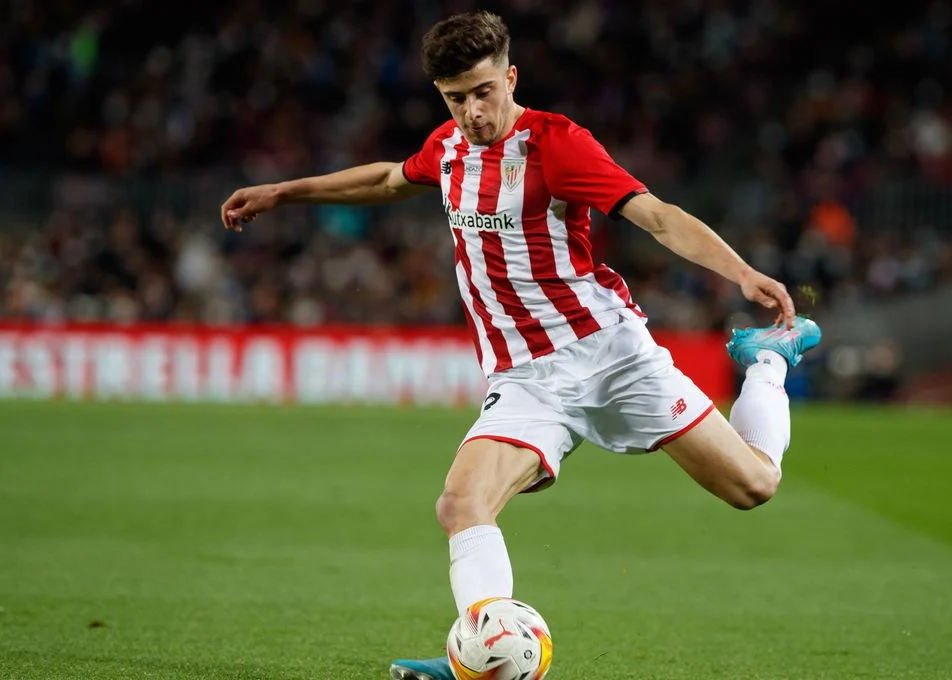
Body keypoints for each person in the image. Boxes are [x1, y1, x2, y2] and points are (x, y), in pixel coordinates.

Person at [219, 11, 821, 680]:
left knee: (754, 485)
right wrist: (285, 192)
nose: (472, 112)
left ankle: (769, 358)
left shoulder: (557, 144)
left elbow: (657, 216)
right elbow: (388, 179)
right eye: (455, 98)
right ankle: (483, 653)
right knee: (460, 504)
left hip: (610, 356)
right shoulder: (448, 147)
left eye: (483, 92)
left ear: (510, 77)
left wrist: (741, 272)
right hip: (526, 378)